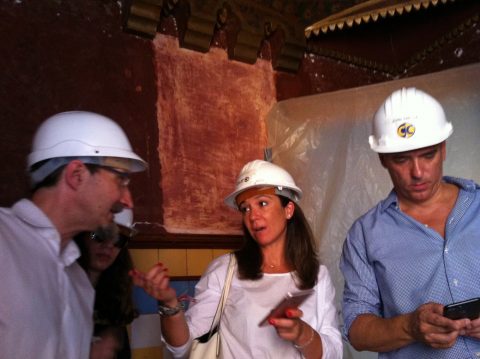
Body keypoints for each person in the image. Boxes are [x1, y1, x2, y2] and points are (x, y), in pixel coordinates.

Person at [130, 159, 343, 358]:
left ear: (288, 210)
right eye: (245, 208)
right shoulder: (225, 270)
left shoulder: (317, 275)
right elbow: (181, 346)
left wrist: (302, 333)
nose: (252, 215)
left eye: (262, 203)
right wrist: (169, 305)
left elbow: (334, 352)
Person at [340, 87, 480, 358]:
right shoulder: (365, 234)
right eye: (401, 159)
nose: (417, 172)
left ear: (443, 148)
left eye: (428, 155)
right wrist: (410, 327)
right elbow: (356, 329)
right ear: (383, 159)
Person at [0, 111, 147, 359]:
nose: (127, 201)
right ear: (76, 175)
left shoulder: (78, 281)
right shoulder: (4, 241)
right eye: (120, 181)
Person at [75, 208, 138, 359]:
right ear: (82, 234)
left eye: (119, 239)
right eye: (101, 234)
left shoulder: (115, 298)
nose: (109, 245)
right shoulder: (61, 289)